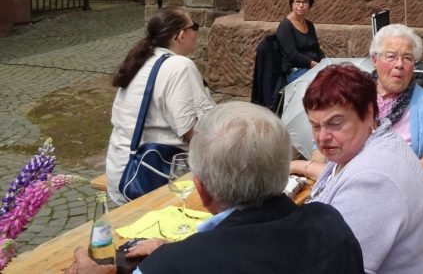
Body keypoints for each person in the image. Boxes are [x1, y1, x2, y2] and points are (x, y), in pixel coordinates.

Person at [64, 102, 365, 274]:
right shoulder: (330, 223)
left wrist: (173, 258)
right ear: (282, 171)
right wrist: (175, 253)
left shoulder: (169, 268)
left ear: (202, 189)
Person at [290, 24, 423, 226]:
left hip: (402, 205)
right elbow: (322, 145)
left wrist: (403, 177)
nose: (399, 65)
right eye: (391, 56)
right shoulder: (355, 94)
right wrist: (317, 174)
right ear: (375, 60)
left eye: (407, 58)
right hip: (347, 195)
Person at [303, 64, 423, 274]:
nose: (322, 137)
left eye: (335, 123)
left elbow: (337, 265)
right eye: (315, 125)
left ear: (368, 113)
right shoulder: (364, 145)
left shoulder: (373, 180)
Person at [104, 7, 214, 204]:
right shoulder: (179, 66)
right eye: (194, 27)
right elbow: (190, 131)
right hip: (148, 176)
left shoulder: (142, 59)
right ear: (180, 35)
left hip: (120, 169)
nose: (196, 33)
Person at [277, 0, 325, 83]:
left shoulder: (309, 24)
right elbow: (293, 55)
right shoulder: (285, 26)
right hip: (295, 71)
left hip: (313, 68)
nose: (301, 5)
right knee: (325, 82)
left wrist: (324, 62)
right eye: (298, 2)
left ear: (310, 5)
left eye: (305, 2)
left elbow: (316, 49)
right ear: (291, 4)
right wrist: (316, 66)